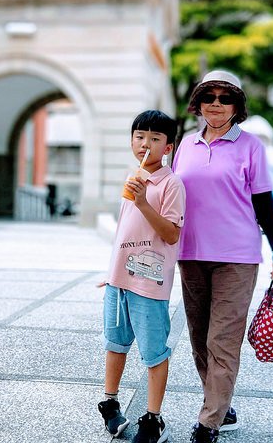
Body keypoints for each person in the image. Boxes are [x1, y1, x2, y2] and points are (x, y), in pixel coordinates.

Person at [171, 70, 273, 443]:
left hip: (237, 255)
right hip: (189, 253)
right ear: (198, 102)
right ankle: (219, 402)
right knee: (199, 336)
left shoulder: (251, 146)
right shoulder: (185, 144)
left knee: (223, 339)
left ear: (237, 106)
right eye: (209, 97)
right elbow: (170, 197)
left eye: (225, 98)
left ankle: (209, 423)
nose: (216, 105)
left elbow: (264, 203)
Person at [98, 109, 186, 443]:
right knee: (115, 343)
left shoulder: (171, 184)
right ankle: (109, 402)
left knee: (154, 353)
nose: (144, 143)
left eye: (154, 138)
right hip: (119, 280)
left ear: (168, 148)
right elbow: (125, 232)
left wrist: (144, 202)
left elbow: (171, 234)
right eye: (139, 136)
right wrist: (111, 271)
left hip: (150, 285)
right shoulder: (132, 175)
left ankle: (153, 418)